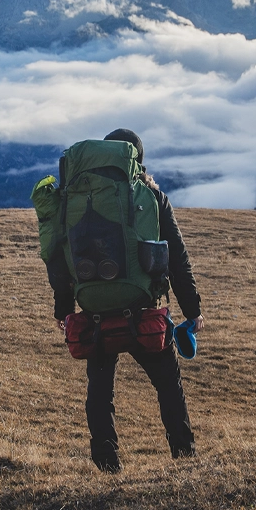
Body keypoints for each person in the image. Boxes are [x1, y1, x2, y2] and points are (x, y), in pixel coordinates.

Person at [51, 128, 204, 473]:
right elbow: (176, 257)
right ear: (136, 159)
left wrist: (63, 308)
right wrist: (193, 310)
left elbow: (60, 256)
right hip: (142, 311)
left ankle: (107, 466)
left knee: (100, 391)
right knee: (168, 383)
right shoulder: (151, 196)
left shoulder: (76, 195)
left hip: (94, 313)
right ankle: (183, 455)